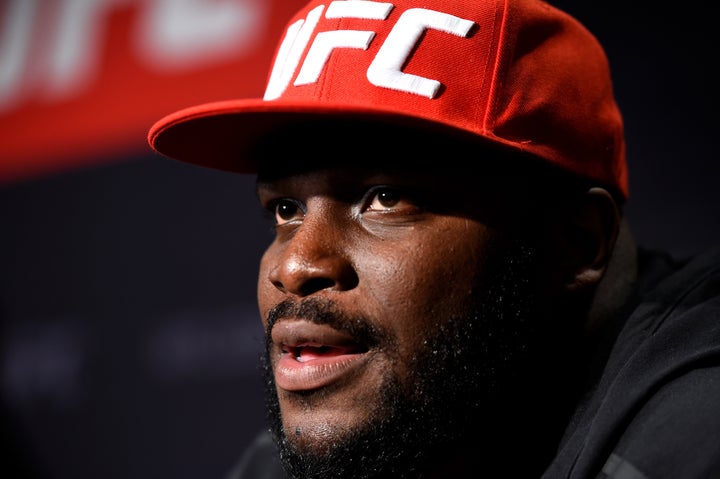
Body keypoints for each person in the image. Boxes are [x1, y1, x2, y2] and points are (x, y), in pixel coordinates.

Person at [147, 0, 720, 477]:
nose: (296, 265)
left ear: (577, 243)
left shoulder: (696, 427)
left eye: (385, 199)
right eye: (286, 209)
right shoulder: (349, 441)